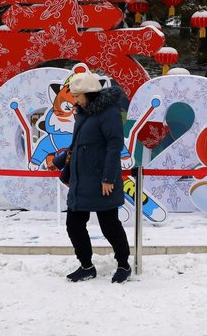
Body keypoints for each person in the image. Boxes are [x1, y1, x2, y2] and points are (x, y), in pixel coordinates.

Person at [54, 71, 132, 283]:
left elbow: (114, 145)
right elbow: (76, 144)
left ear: (89, 94)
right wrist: (59, 161)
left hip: (101, 180)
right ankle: (86, 265)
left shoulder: (108, 112)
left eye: (78, 96)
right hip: (80, 180)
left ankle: (124, 264)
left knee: (109, 225)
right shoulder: (83, 112)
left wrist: (108, 178)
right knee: (74, 224)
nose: (75, 100)